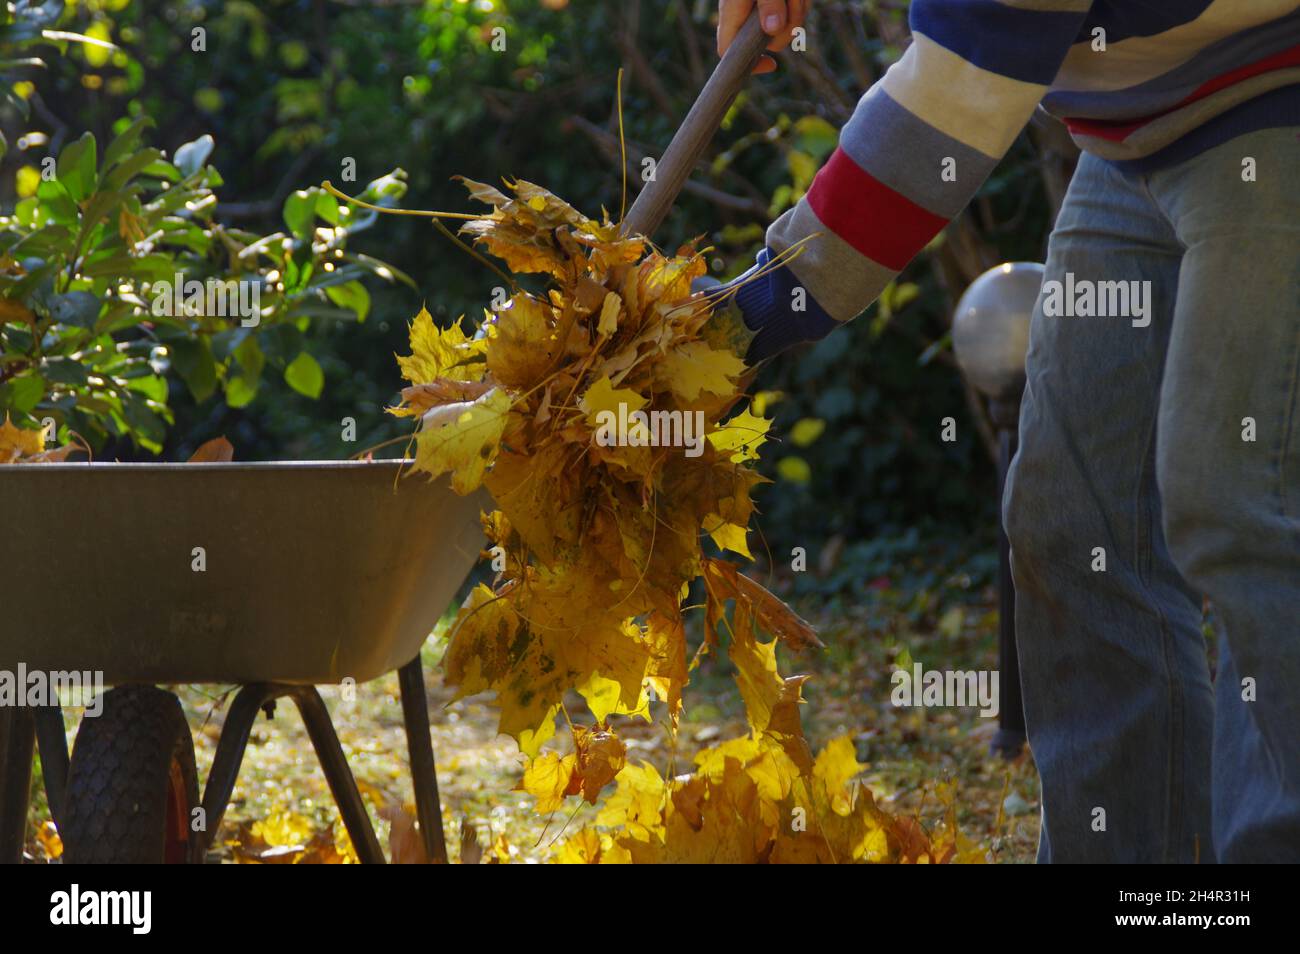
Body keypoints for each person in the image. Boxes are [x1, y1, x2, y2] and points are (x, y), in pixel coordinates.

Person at [710, 0, 1300, 863]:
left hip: (1275, 85)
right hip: (1139, 129)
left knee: (1237, 497)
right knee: (1074, 524)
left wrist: (746, 320)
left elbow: (958, 95)